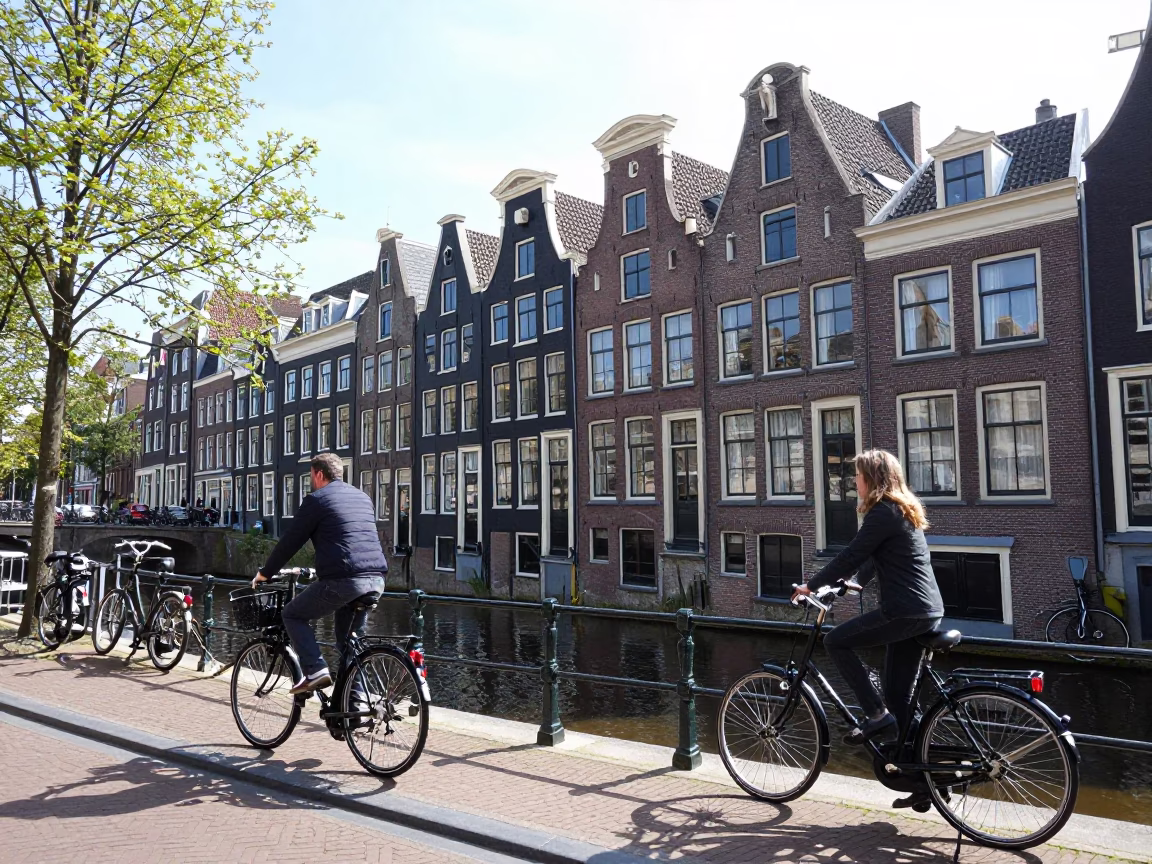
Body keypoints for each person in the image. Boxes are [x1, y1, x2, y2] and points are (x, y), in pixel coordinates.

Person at [791, 449, 944, 803]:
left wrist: (809, 586)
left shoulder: (882, 512)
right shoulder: (901, 510)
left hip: (904, 612)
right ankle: (923, 779)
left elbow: (851, 554)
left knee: (837, 641)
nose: (854, 482)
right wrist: (857, 581)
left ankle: (875, 715)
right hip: (925, 610)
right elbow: (878, 556)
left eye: (857, 476)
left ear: (871, 479)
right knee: (899, 696)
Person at [252, 452, 388, 694]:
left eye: (311, 476)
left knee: (292, 614)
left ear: (318, 474)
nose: (311, 481)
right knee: (350, 645)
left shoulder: (316, 500)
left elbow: (290, 541)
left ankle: (315, 670)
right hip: (376, 578)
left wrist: (266, 572)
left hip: (345, 580)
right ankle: (353, 710)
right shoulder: (363, 497)